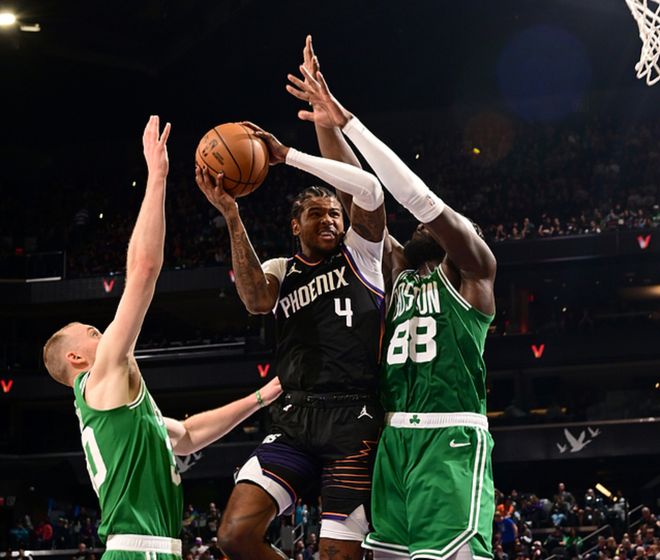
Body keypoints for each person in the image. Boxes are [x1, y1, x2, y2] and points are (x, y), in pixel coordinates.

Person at [287, 36, 497, 560]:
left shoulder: (474, 274)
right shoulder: (399, 271)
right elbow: (355, 193)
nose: (429, 226)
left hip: (450, 437)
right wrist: (325, 122)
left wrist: (350, 122)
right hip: (393, 437)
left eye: (447, 225)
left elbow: (419, 200)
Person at [42, 116, 282, 560]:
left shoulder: (118, 412)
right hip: (141, 551)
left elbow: (187, 434)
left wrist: (264, 395)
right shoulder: (101, 376)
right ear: (76, 358)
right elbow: (143, 272)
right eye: (93, 333)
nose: (103, 333)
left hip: (147, 549)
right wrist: (157, 176)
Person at [195, 118, 387, 559]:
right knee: (234, 537)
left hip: (354, 420)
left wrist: (287, 156)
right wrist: (232, 214)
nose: (329, 220)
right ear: (295, 227)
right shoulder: (282, 270)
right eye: (316, 214)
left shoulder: (362, 255)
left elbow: (371, 190)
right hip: (294, 419)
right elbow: (255, 300)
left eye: (334, 213)